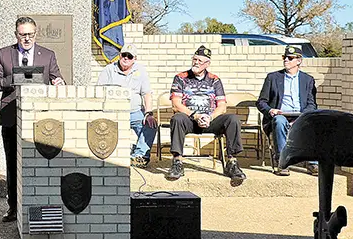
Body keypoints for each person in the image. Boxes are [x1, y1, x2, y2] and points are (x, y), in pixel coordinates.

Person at [0, 16, 65, 222]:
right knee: (13, 166)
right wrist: (13, 78)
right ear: (16, 34)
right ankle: (13, 207)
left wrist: (59, 82)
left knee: (41, 163)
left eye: (30, 34)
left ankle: (39, 207)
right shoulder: (5, 54)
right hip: (11, 117)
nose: (27, 39)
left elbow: (57, 78)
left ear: (36, 33)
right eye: (22, 35)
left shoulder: (48, 55)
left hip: (40, 120)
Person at [166, 45, 247, 185]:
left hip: (210, 120)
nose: (196, 63)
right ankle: (177, 162)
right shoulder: (180, 78)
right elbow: (176, 104)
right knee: (177, 118)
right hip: (189, 120)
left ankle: (232, 162)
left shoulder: (214, 79)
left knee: (233, 119)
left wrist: (210, 117)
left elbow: (222, 106)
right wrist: (195, 116)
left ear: (207, 63)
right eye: (194, 59)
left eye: (200, 61)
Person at [257, 46, 318, 176]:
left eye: (290, 58)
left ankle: (313, 163)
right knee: (279, 121)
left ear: (299, 61)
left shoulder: (308, 80)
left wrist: (300, 118)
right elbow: (261, 102)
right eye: (284, 57)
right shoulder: (273, 78)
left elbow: (312, 105)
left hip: (300, 116)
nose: (286, 60)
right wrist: (270, 110)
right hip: (279, 116)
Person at [97, 43, 156, 168]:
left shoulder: (141, 71)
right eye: (124, 55)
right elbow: (98, 92)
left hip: (135, 112)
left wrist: (149, 113)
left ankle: (139, 156)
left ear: (135, 59)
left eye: (130, 56)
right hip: (112, 112)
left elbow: (147, 93)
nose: (126, 58)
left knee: (151, 125)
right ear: (119, 56)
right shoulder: (108, 70)